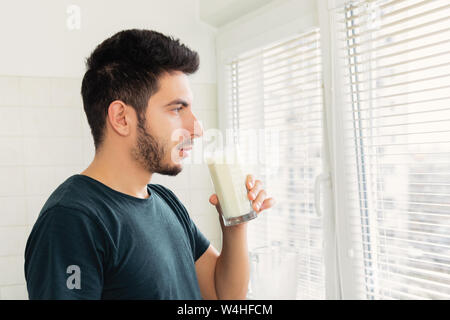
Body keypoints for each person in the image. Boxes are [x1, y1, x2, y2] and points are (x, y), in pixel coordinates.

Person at [24, 29, 274, 300]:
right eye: (177, 109)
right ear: (121, 118)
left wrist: (234, 224)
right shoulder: (72, 219)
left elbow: (222, 296)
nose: (197, 128)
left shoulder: (166, 202)